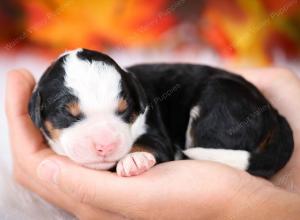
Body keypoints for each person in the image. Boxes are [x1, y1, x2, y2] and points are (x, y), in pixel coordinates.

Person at [5, 67, 300, 219]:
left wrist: (251, 204)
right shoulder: (43, 102)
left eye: (121, 114)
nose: (104, 142)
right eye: (71, 118)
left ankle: (243, 155)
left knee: (218, 101)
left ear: (136, 102)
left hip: (226, 101)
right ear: (37, 111)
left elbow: (152, 141)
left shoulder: (141, 107)